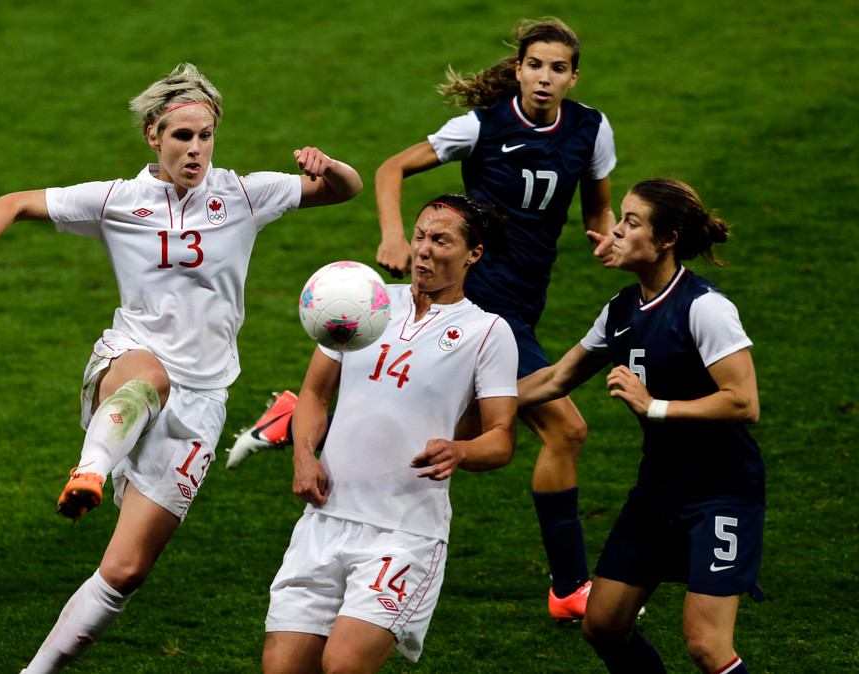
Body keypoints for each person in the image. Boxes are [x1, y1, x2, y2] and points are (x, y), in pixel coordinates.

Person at [0, 63, 362, 674]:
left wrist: (329, 165)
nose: (195, 149)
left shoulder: (243, 194)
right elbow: (14, 202)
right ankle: (89, 470)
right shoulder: (118, 200)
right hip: (129, 359)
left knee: (126, 570)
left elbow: (345, 189)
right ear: (153, 137)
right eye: (182, 136)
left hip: (204, 400)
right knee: (150, 379)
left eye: (205, 136)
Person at [227, 16, 616, 620]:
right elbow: (391, 169)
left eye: (558, 68)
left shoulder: (591, 130)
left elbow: (598, 209)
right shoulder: (481, 126)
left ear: (574, 77)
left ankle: (299, 418)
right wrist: (393, 235)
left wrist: (609, 237)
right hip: (478, 305)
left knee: (455, 424)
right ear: (518, 69)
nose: (545, 77)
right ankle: (569, 589)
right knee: (564, 430)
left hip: (522, 302)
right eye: (535, 65)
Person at [262, 195, 519, 672]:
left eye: (440, 240)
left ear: (473, 254)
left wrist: (461, 451)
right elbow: (315, 392)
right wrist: (303, 454)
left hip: (405, 533)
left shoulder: (487, 332)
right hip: (325, 518)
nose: (423, 249)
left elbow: (502, 436)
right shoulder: (365, 300)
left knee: (343, 665)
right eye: (419, 236)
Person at [517, 178, 764, 673]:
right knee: (603, 625)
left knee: (706, 645)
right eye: (620, 219)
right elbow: (556, 378)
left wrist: (655, 407)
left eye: (631, 223)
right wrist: (474, 404)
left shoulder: (704, 307)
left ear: (667, 239)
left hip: (721, 492)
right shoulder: (620, 310)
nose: (616, 231)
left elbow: (743, 402)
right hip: (658, 492)